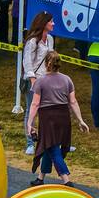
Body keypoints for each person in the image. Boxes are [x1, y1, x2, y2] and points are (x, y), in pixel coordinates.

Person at [28, 52, 88, 185]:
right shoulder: (67, 79)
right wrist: (80, 120)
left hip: (48, 118)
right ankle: (40, 178)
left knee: (52, 148)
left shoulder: (40, 81)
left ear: (46, 64)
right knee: (49, 145)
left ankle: (66, 180)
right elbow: (73, 102)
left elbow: (35, 103)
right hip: (63, 117)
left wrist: (29, 122)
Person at [21, 12, 55, 155]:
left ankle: (49, 141)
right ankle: (30, 142)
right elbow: (27, 62)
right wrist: (33, 80)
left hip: (46, 80)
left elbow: (51, 58)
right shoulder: (32, 41)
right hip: (33, 81)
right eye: (51, 22)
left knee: (48, 111)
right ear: (44, 23)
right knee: (31, 110)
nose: (53, 24)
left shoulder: (50, 39)